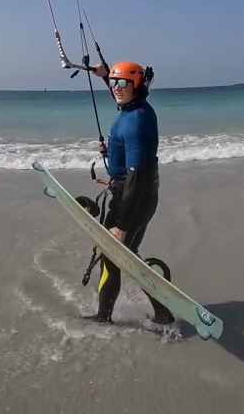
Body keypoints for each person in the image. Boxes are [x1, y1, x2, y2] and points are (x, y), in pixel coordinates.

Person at [89, 60, 174, 325]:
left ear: (135, 85)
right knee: (129, 257)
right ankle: (162, 311)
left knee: (111, 256)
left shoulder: (135, 122)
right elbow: (124, 93)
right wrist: (107, 76)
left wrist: (122, 225)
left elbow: (138, 177)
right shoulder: (136, 107)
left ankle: (103, 318)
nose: (116, 88)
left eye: (121, 83)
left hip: (133, 198)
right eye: (113, 83)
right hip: (140, 194)